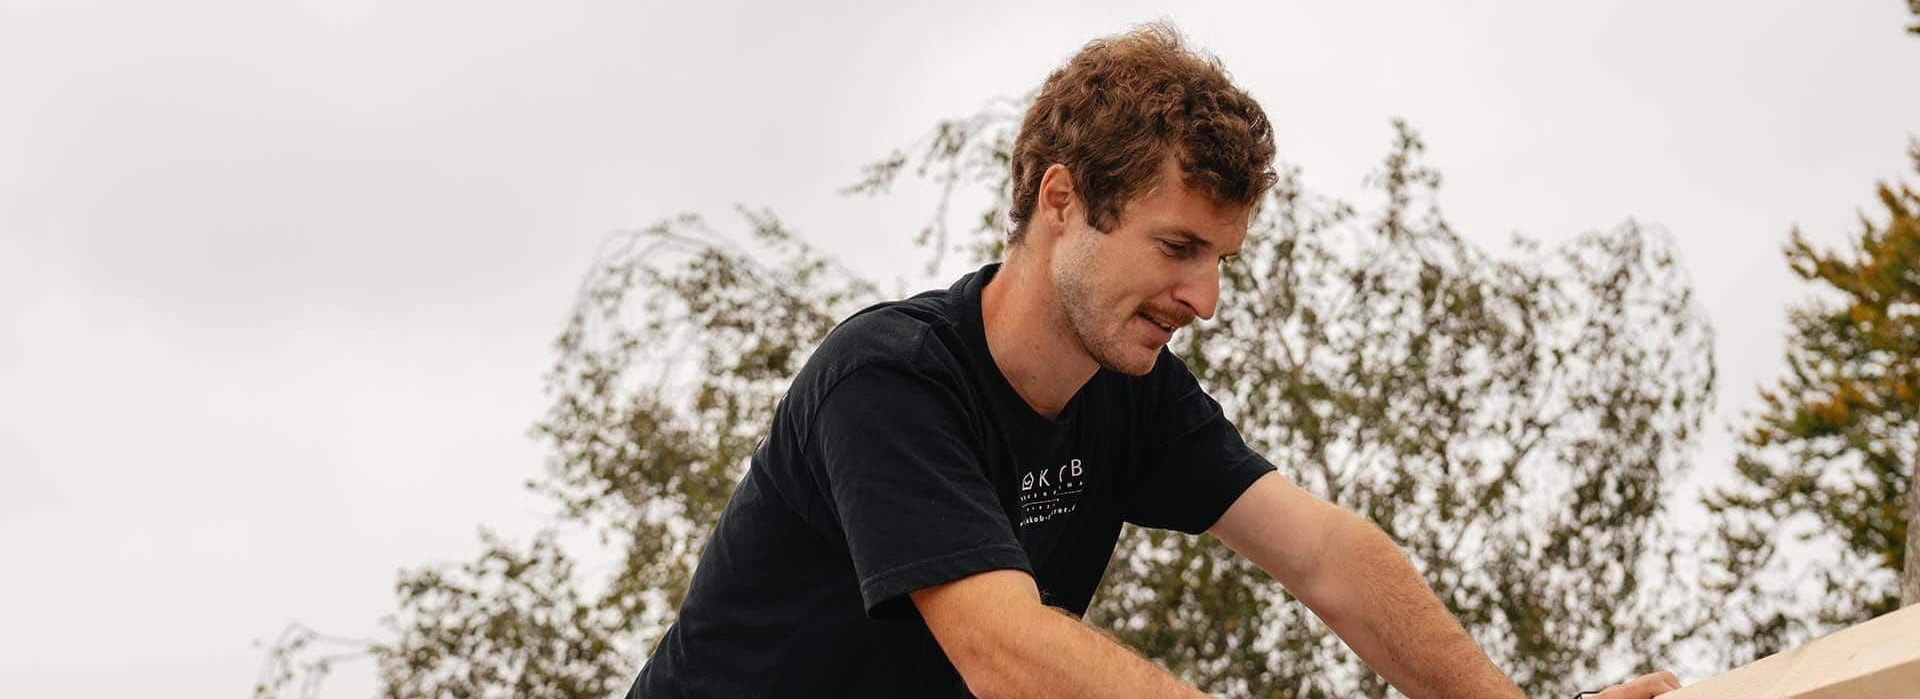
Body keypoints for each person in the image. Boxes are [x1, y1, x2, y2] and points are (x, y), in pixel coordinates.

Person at [627, 23, 1683, 699]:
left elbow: (1325, 554)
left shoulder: (1127, 392)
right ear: (1061, 200)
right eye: (1178, 247)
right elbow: (1005, 651)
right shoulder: (890, 380)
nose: (1205, 298)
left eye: (1220, 259)